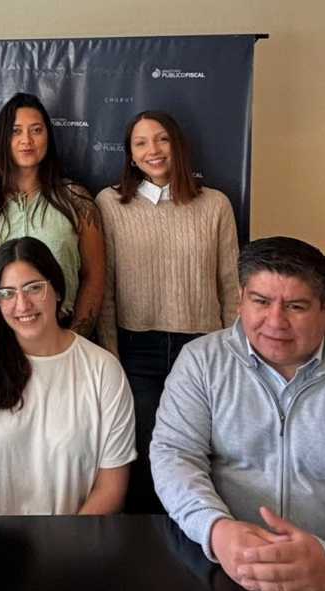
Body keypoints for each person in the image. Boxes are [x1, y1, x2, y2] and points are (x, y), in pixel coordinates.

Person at [151, 236, 325, 591]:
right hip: (221, 571)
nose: (275, 321)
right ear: (240, 299)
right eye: (261, 302)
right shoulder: (200, 363)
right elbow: (174, 455)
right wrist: (215, 528)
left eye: (296, 306)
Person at [95, 109, 240, 514]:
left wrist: (233, 352)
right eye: (140, 143)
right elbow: (106, 289)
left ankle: (202, 531)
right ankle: (147, 540)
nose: (153, 150)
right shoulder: (110, 203)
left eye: (161, 139)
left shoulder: (215, 205)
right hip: (138, 349)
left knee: (203, 452)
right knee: (145, 453)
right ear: (130, 154)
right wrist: (112, 353)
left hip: (204, 348)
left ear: (177, 145)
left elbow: (231, 286)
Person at [0, 237, 136, 515]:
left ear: (57, 289)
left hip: (75, 538)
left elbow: (111, 486)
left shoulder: (104, 371)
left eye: (34, 288)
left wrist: (68, 542)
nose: (22, 305)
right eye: (7, 293)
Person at [0, 92, 105, 338]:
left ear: (48, 136)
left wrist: (72, 340)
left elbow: (94, 276)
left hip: (62, 332)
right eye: (16, 131)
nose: (26, 140)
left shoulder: (76, 199)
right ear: (2, 139)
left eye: (36, 130)